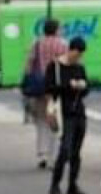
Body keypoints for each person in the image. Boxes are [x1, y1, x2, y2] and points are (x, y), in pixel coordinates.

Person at [47, 37, 90, 194]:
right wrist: (68, 86)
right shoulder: (55, 67)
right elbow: (49, 88)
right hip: (64, 112)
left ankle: (73, 184)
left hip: (79, 111)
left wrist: (82, 86)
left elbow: (87, 89)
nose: (78, 58)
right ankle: (55, 185)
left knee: (76, 151)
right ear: (71, 50)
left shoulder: (79, 68)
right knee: (65, 149)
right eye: (77, 54)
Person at [23, 19, 68, 169]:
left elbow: (29, 65)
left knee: (41, 120)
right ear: (56, 30)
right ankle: (52, 156)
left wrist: (27, 81)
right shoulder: (63, 44)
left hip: (39, 87)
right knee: (54, 121)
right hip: (56, 87)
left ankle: (41, 153)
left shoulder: (36, 44)